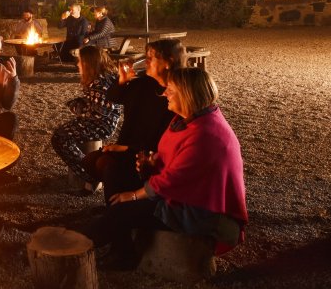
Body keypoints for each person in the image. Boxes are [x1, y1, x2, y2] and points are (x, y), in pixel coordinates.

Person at [94, 66, 247, 268]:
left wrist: (132, 195)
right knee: (114, 171)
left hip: (198, 209)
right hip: (181, 193)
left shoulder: (205, 135)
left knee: (120, 211)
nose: (164, 93)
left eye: (171, 90)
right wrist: (152, 161)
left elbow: (170, 181)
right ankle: (120, 247)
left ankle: (78, 244)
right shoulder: (185, 120)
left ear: (187, 94)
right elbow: (171, 157)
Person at [93, 38, 187, 204]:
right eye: (146, 56)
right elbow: (114, 97)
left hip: (151, 153)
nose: (146, 61)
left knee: (107, 165)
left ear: (168, 62)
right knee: (92, 161)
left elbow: (165, 140)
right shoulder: (145, 83)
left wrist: (125, 149)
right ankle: (120, 203)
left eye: (151, 57)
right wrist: (122, 81)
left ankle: (120, 209)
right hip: (131, 144)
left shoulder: (179, 95)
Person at [51, 46, 122, 184]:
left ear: (88, 63)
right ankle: (88, 168)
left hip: (101, 125)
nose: (77, 64)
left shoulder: (99, 83)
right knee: (62, 133)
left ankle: (90, 173)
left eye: (80, 61)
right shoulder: (101, 76)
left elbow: (99, 113)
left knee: (59, 139)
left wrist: (77, 108)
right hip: (100, 121)